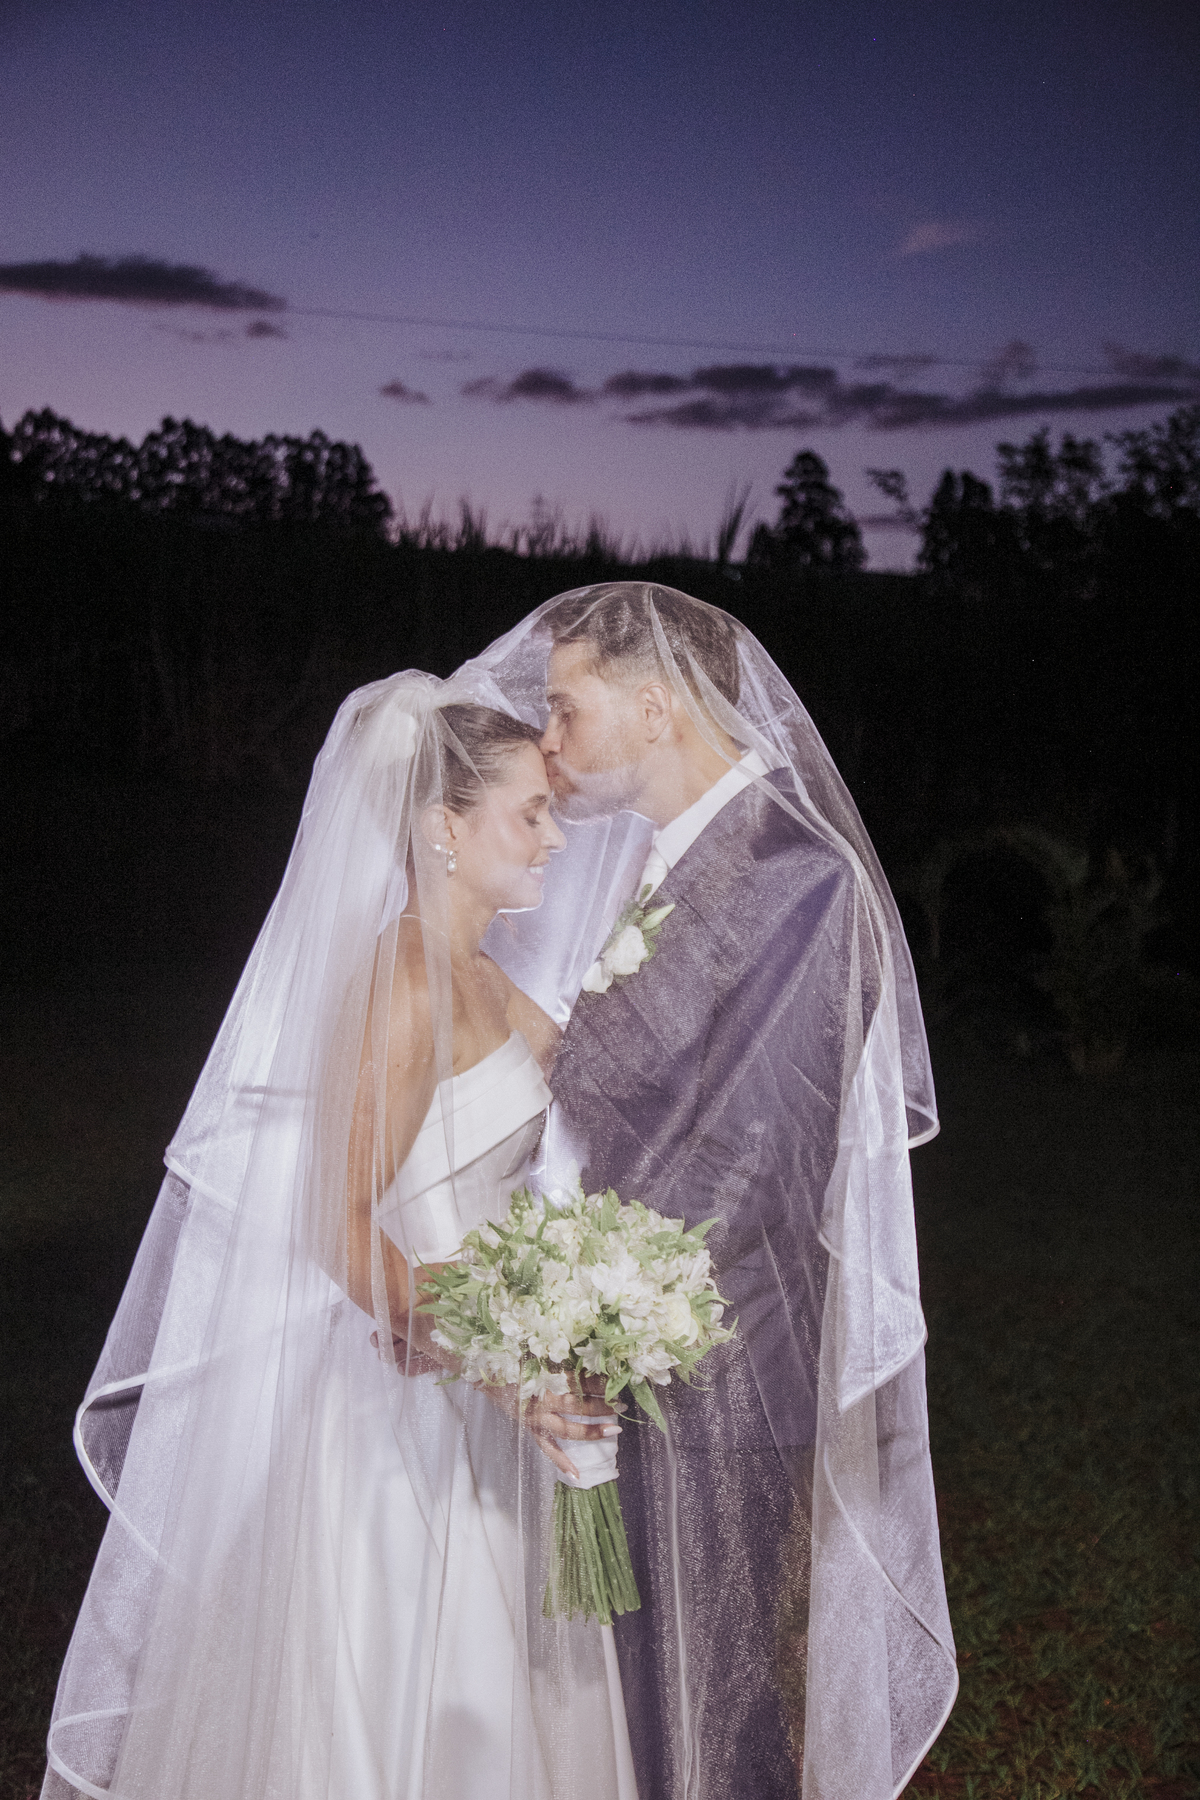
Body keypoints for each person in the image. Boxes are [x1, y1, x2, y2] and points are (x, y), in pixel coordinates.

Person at [43, 683, 637, 1800]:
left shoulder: (487, 977)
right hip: (411, 1411)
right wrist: (497, 1364)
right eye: (531, 813)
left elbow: (619, 1068)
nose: (554, 837)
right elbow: (337, 1220)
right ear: (444, 827)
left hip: (495, 1383)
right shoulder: (402, 982)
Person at [467, 583, 957, 1800]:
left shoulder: (797, 873)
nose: (549, 740)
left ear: (655, 705)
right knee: (634, 1695)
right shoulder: (654, 858)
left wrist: (601, 1312)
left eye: (568, 709)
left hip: (716, 1352)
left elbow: (753, 1147)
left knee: (713, 1705)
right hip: (631, 1334)